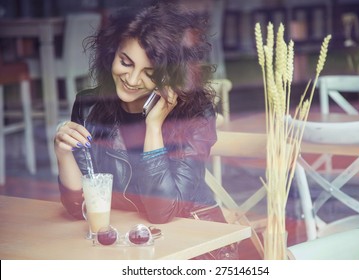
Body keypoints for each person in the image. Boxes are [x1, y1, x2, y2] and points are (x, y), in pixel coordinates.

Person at [54, 2, 238, 259]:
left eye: (149, 73)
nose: (131, 79)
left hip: (195, 247)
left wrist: (154, 127)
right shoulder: (89, 105)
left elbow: (162, 213)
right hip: (128, 244)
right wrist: (63, 153)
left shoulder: (194, 114)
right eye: (125, 62)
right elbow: (80, 209)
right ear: (112, 53)